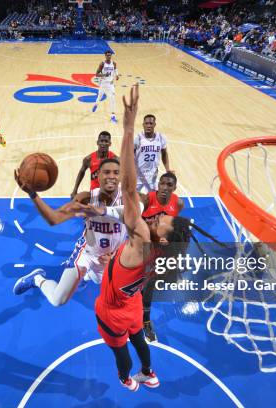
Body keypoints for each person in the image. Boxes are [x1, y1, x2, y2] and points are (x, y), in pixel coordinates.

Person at [94, 84, 191, 391]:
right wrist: (114, 265)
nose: (161, 216)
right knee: (138, 338)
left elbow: (128, 185)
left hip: (113, 307)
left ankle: (126, 379)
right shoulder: (158, 253)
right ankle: (148, 372)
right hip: (133, 301)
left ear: (161, 238)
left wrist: (127, 128)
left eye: (164, 221)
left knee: (119, 349)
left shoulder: (140, 238)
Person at [13, 158, 126, 306]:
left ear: (121, 176)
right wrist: (33, 194)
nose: (111, 176)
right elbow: (54, 218)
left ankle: (84, 277)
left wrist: (118, 255)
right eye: (106, 172)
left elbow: (138, 231)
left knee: (103, 284)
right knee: (57, 300)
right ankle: (37, 278)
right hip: (87, 253)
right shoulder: (86, 198)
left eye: (116, 172)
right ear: (98, 175)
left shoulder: (129, 199)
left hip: (112, 256)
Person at [139, 172, 184, 342]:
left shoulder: (178, 203)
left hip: (160, 246)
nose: (165, 188)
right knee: (146, 281)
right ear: (158, 184)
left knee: (151, 282)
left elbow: (173, 226)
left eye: (169, 185)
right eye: (162, 184)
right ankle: (146, 321)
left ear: (174, 187)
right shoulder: (147, 200)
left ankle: (144, 315)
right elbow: (134, 222)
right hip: (142, 242)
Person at [70, 131, 117, 198]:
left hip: (110, 194)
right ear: (97, 142)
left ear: (110, 143)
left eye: (106, 141)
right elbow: (81, 172)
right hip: (94, 194)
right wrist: (75, 190)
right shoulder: (88, 159)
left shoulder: (115, 159)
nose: (103, 144)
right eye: (101, 141)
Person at [134, 114, 172, 192]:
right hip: (138, 174)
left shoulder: (161, 138)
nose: (148, 126)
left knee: (151, 197)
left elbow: (164, 154)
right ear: (143, 125)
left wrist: (167, 169)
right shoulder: (138, 138)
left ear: (154, 124)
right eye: (146, 123)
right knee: (133, 197)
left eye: (151, 123)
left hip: (152, 174)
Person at [92, 50, 119, 123]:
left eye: (110, 55)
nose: (109, 56)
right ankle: (96, 104)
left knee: (112, 98)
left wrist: (117, 75)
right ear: (105, 56)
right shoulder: (102, 64)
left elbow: (115, 69)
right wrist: (104, 75)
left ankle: (113, 116)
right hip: (103, 83)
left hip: (110, 84)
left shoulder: (114, 63)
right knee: (100, 96)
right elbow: (97, 74)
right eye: (107, 55)